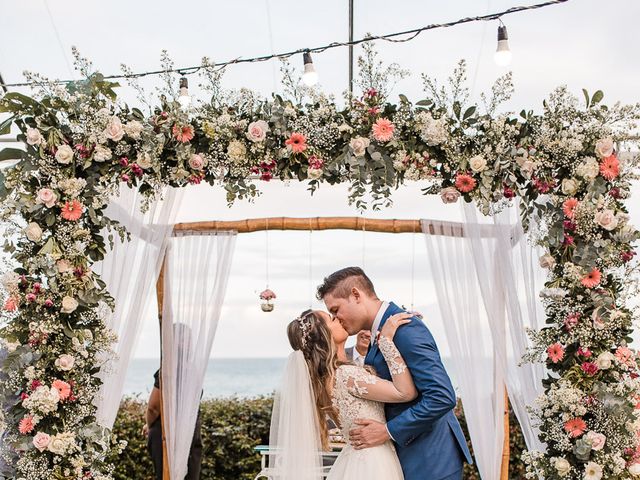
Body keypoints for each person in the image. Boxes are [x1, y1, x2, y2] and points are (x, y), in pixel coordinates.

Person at [318, 267, 472, 480]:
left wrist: (387, 431)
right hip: (407, 457)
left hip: (430, 458)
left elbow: (441, 397)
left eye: (336, 309)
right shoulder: (380, 331)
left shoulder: (405, 328)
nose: (337, 318)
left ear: (356, 295)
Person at [271, 306, 416, 480]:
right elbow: (405, 392)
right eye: (331, 319)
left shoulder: (324, 380)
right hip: (373, 462)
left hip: (355, 458)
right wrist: (386, 342)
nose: (338, 318)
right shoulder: (346, 375)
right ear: (325, 335)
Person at [144, 368, 203, 479]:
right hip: (190, 433)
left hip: (166, 434)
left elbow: (153, 408)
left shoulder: (168, 369)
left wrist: (149, 424)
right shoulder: (194, 369)